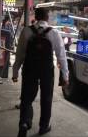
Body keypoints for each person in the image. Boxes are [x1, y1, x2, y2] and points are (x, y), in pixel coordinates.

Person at [12, 8, 69, 137]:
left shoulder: (26, 31)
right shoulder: (54, 33)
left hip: (29, 69)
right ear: (47, 18)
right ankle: (44, 126)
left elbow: (20, 54)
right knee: (46, 98)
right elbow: (61, 57)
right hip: (46, 70)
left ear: (36, 17)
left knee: (26, 97)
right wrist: (65, 76)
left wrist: (15, 72)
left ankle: (24, 123)